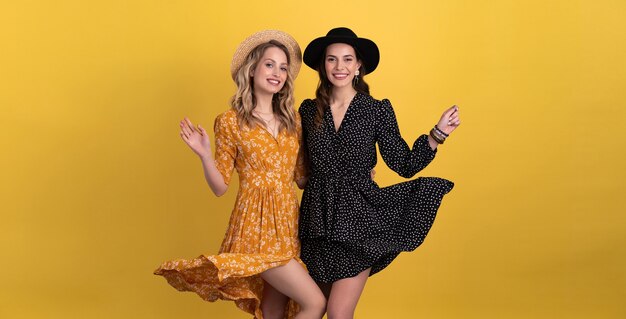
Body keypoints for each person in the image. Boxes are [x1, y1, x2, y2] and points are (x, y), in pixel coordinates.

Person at [154, 30, 326, 319]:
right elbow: (220, 186)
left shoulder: (293, 120)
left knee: (274, 312)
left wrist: (352, 171)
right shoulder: (230, 122)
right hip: (254, 231)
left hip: (288, 229)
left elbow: (302, 178)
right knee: (315, 304)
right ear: (252, 69)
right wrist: (205, 155)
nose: (277, 73)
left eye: (283, 67)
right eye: (269, 64)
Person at [297, 27, 460, 318]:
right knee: (312, 308)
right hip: (317, 219)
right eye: (332, 59)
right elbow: (300, 168)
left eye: (347, 59)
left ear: (359, 65)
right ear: (323, 65)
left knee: (338, 314)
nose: (340, 67)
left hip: (360, 219)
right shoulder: (308, 111)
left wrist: (437, 135)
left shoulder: (376, 110)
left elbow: (403, 163)